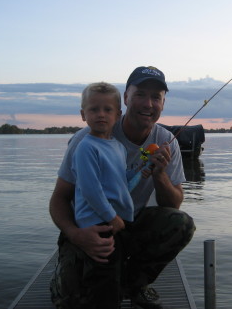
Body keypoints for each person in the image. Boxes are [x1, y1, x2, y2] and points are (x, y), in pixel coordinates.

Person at [50, 66, 196, 309]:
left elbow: (173, 204)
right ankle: (64, 278)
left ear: (163, 103)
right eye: (140, 94)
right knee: (69, 302)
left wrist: (159, 174)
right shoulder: (88, 140)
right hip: (90, 227)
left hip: (129, 223)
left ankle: (134, 284)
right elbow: (59, 199)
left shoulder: (166, 142)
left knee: (181, 223)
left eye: (156, 97)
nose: (148, 103)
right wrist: (77, 235)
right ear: (126, 98)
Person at [70, 82, 134, 308]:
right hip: (99, 223)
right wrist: (111, 217)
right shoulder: (86, 147)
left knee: (114, 272)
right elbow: (90, 189)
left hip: (113, 220)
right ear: (82, 114)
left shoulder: (118, 147)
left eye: (107, 110)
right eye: (93, 109)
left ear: (118, 114)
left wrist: (142, 172)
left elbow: (121, 181)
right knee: (102, 280)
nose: (100, 115)